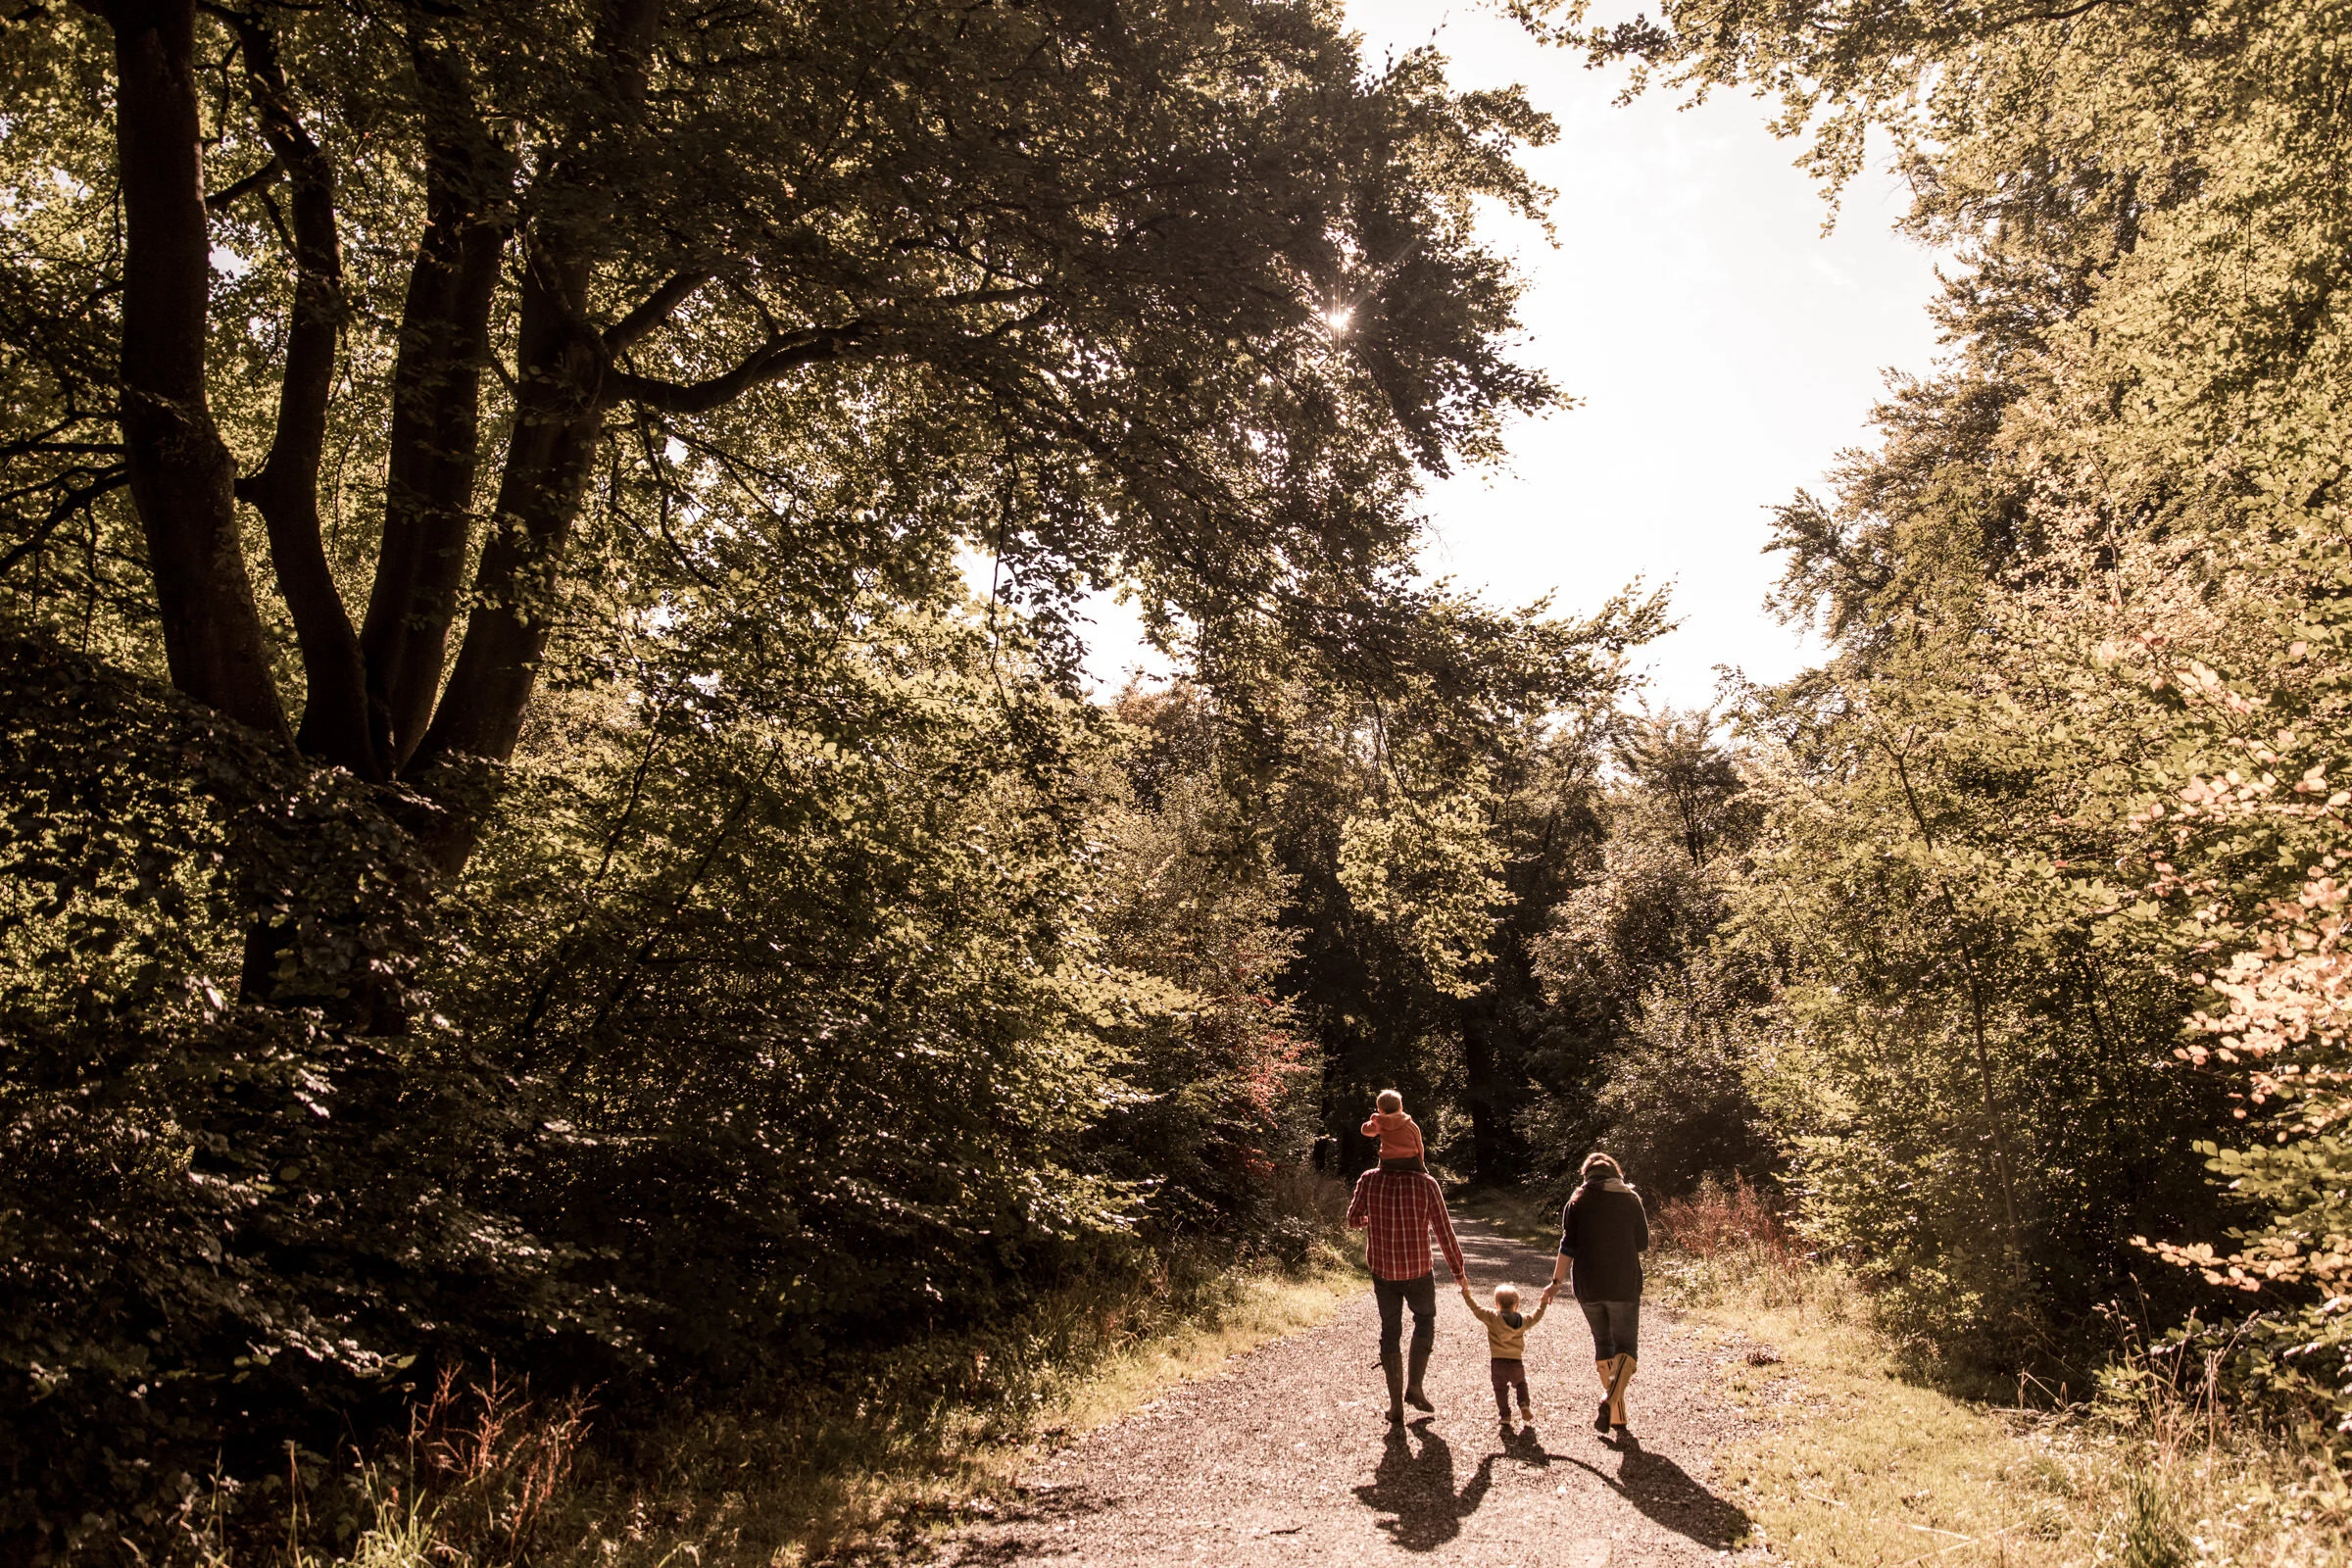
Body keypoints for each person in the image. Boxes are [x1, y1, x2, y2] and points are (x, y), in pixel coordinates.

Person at [1346, 1153, 1466, 1424]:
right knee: (1424, 1320)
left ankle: (1394, 1406)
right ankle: (1415, 1387)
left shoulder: (1368, 1179)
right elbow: (1444, 1231)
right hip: (1418, 1270)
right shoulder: (1427, 1183)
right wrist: (1458, 1270)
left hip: (1384, 1270)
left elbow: (1352, 1219)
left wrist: (1371, 1219)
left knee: (1390, 1330)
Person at [1550, 1151, 1648, 1438]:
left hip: (1588, 1285)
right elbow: (1642, 1243)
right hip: (1623, 1284)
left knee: (1603, 1343)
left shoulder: (1577, 1201)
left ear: (1587, 1176)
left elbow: (1568, 1246)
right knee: (1627, 1348)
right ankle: (1610, 1402)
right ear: (1616, 1174)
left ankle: (1617, 1414)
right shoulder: (1631, 1199)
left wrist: (1555, 1283)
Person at [1459, 1279, 1555, 1429]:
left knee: (1500, 1390)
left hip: (1497, 1362)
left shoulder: (1491, 1317)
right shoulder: (1523, 1320)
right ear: (1516, 1305)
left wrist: (1466, 1294)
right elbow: (1536, 1316)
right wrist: (1543, 1303)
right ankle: (1523, 1404)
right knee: (1521, 1384)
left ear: (1497, 1304)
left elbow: (1475, 1309)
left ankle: (1505, 1415)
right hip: (1516, 1362)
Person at [1359, 1089, 1426, 1172]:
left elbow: (1365, 1131)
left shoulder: (1381, 1122)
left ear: (1380, 1110)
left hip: (1388, 1161)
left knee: (1380, 1165)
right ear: (1401, 1107)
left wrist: (1374, 1120)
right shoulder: (1411, 1125)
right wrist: (1421, 1164)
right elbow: (1420, 1146)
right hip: (1410, 1160)